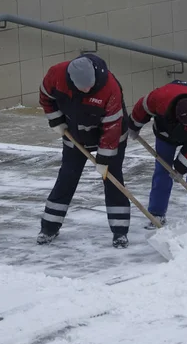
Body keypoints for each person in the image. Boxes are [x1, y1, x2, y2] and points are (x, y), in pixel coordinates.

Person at [37, 54, 131, 248]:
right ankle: (49, 228)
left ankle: (120, 232)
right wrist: (56, 120)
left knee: (113, 180)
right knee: (67, 177)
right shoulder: (56, 75)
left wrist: (104, 158)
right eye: (83, 88)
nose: (87, 90)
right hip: (75, 134)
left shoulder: (110, 87)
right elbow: (46, 96)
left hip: (110, 137)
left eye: (90, 86)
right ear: (71, 80)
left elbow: (112, 126)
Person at [128, 80, 187, 230]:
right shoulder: (160, 98)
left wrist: (181, 168)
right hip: (166, 132)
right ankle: (156, 213)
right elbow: (142, 106)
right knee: (162, 169)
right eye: (185, 124)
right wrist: (134, 125)